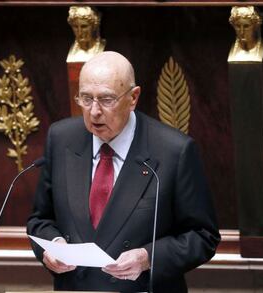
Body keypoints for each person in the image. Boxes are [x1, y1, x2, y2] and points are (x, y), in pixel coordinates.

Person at [27, 51, 220, 292]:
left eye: (106, 100)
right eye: (86, 99)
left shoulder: (173, 151)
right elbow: (40, 219)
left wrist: (148, 257)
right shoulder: (61, 138)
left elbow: (203, 236)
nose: (94, 111)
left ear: (133, 98)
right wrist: (51, 247)